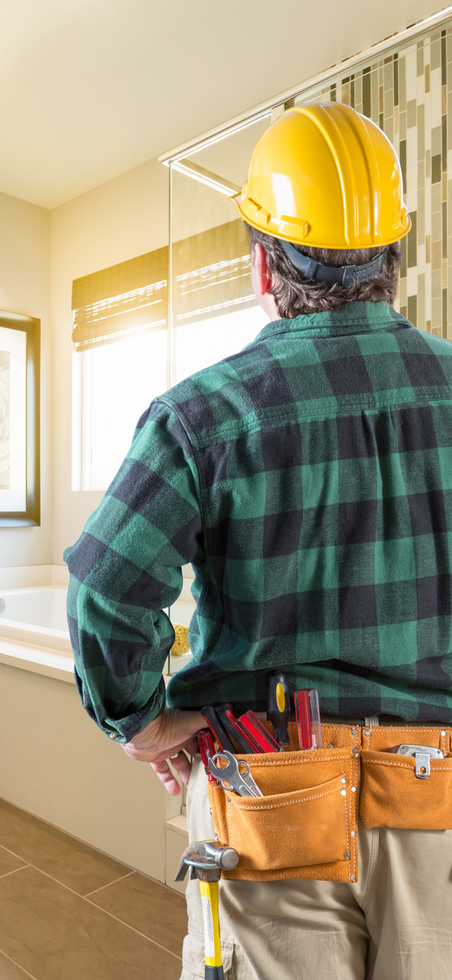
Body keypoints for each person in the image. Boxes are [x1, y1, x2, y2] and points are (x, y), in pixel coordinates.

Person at [65, 101, 452, 980]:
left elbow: (105, 588)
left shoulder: (203, 413)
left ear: (261, 266)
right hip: (442, 792)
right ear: (393, 260)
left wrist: (142, 718)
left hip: (270, 782)